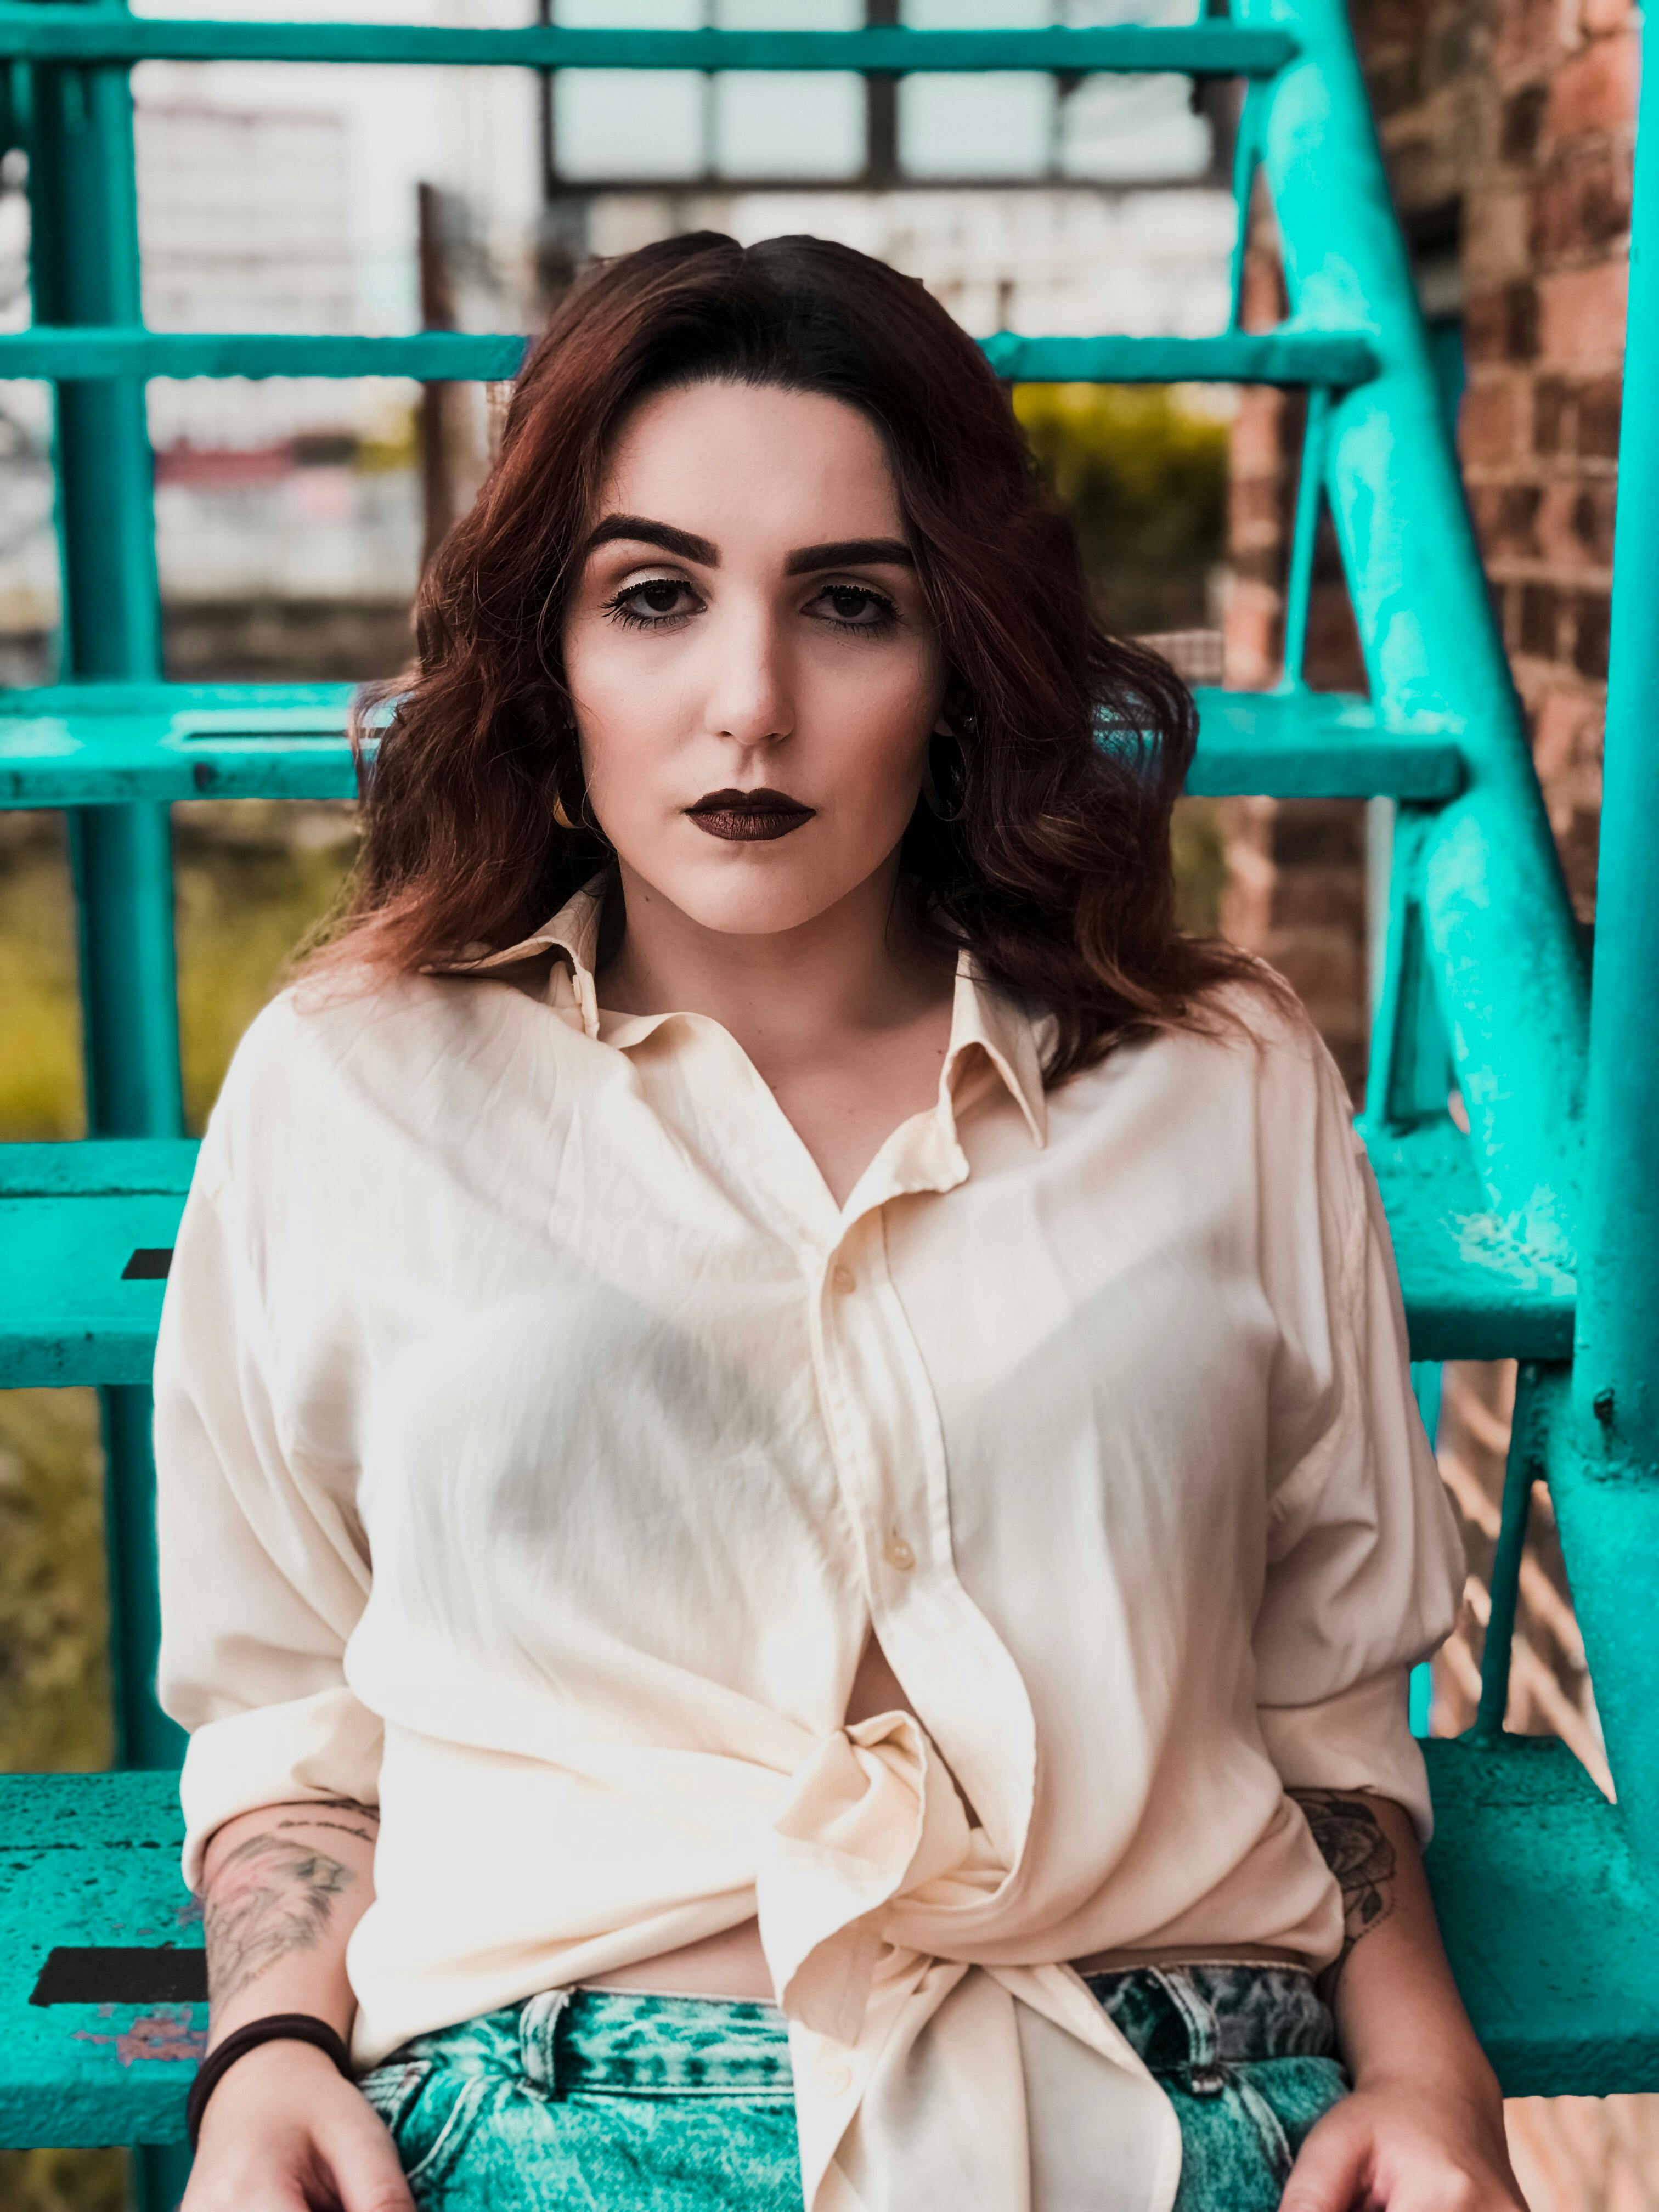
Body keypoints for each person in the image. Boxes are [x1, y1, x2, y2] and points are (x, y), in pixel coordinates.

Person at [153, 232, 1522, 2212]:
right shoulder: (351, 1083)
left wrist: (1431, 2078)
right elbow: (289, 1707)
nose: (751, 705)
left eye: (852, 606)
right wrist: (270, 2046)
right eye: (654, 598)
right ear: (551, 652)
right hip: (549, 2123)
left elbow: (1323, 1693)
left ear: (960, 657)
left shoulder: (1219, 1079)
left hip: (1181, 2109)